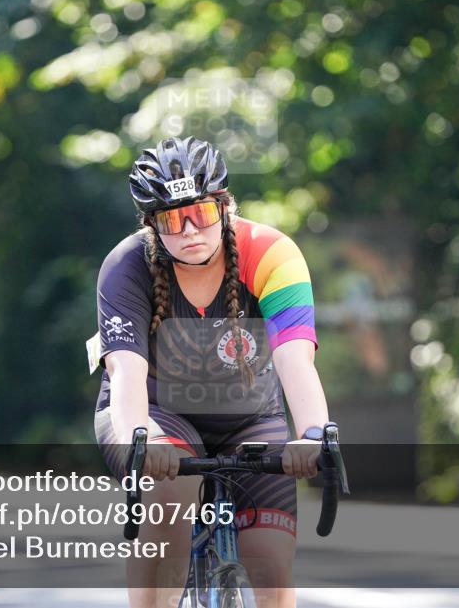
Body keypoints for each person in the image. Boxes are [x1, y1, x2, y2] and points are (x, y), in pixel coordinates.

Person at [92, 136, 331, 608]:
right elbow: (125, 373)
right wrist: (144, 439)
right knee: (166, 506)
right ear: (151, 225)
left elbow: (295, 358)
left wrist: (312, 432)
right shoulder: (126, 266)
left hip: (250, 419)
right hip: (159, 414)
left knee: (270, 566)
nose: (188, 231)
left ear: (224, 206)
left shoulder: (272, 253)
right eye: (170, 220)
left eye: (199, 213)